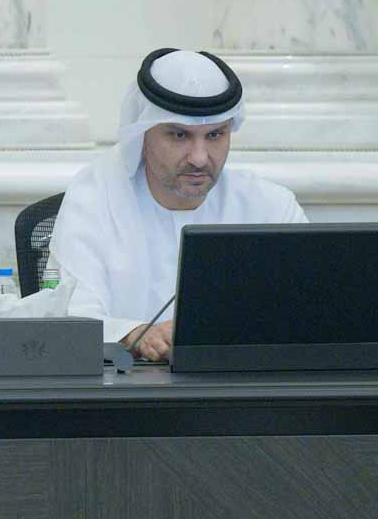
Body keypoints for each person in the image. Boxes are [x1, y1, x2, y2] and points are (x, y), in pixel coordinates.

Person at [49, 47, 306, 361]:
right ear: (143, 135)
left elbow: (309, 308)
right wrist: (132, 333)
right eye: (179, 135)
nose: (199, 158)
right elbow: (70, 317)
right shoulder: (94, 199)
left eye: (215, 135)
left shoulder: (270, 206)